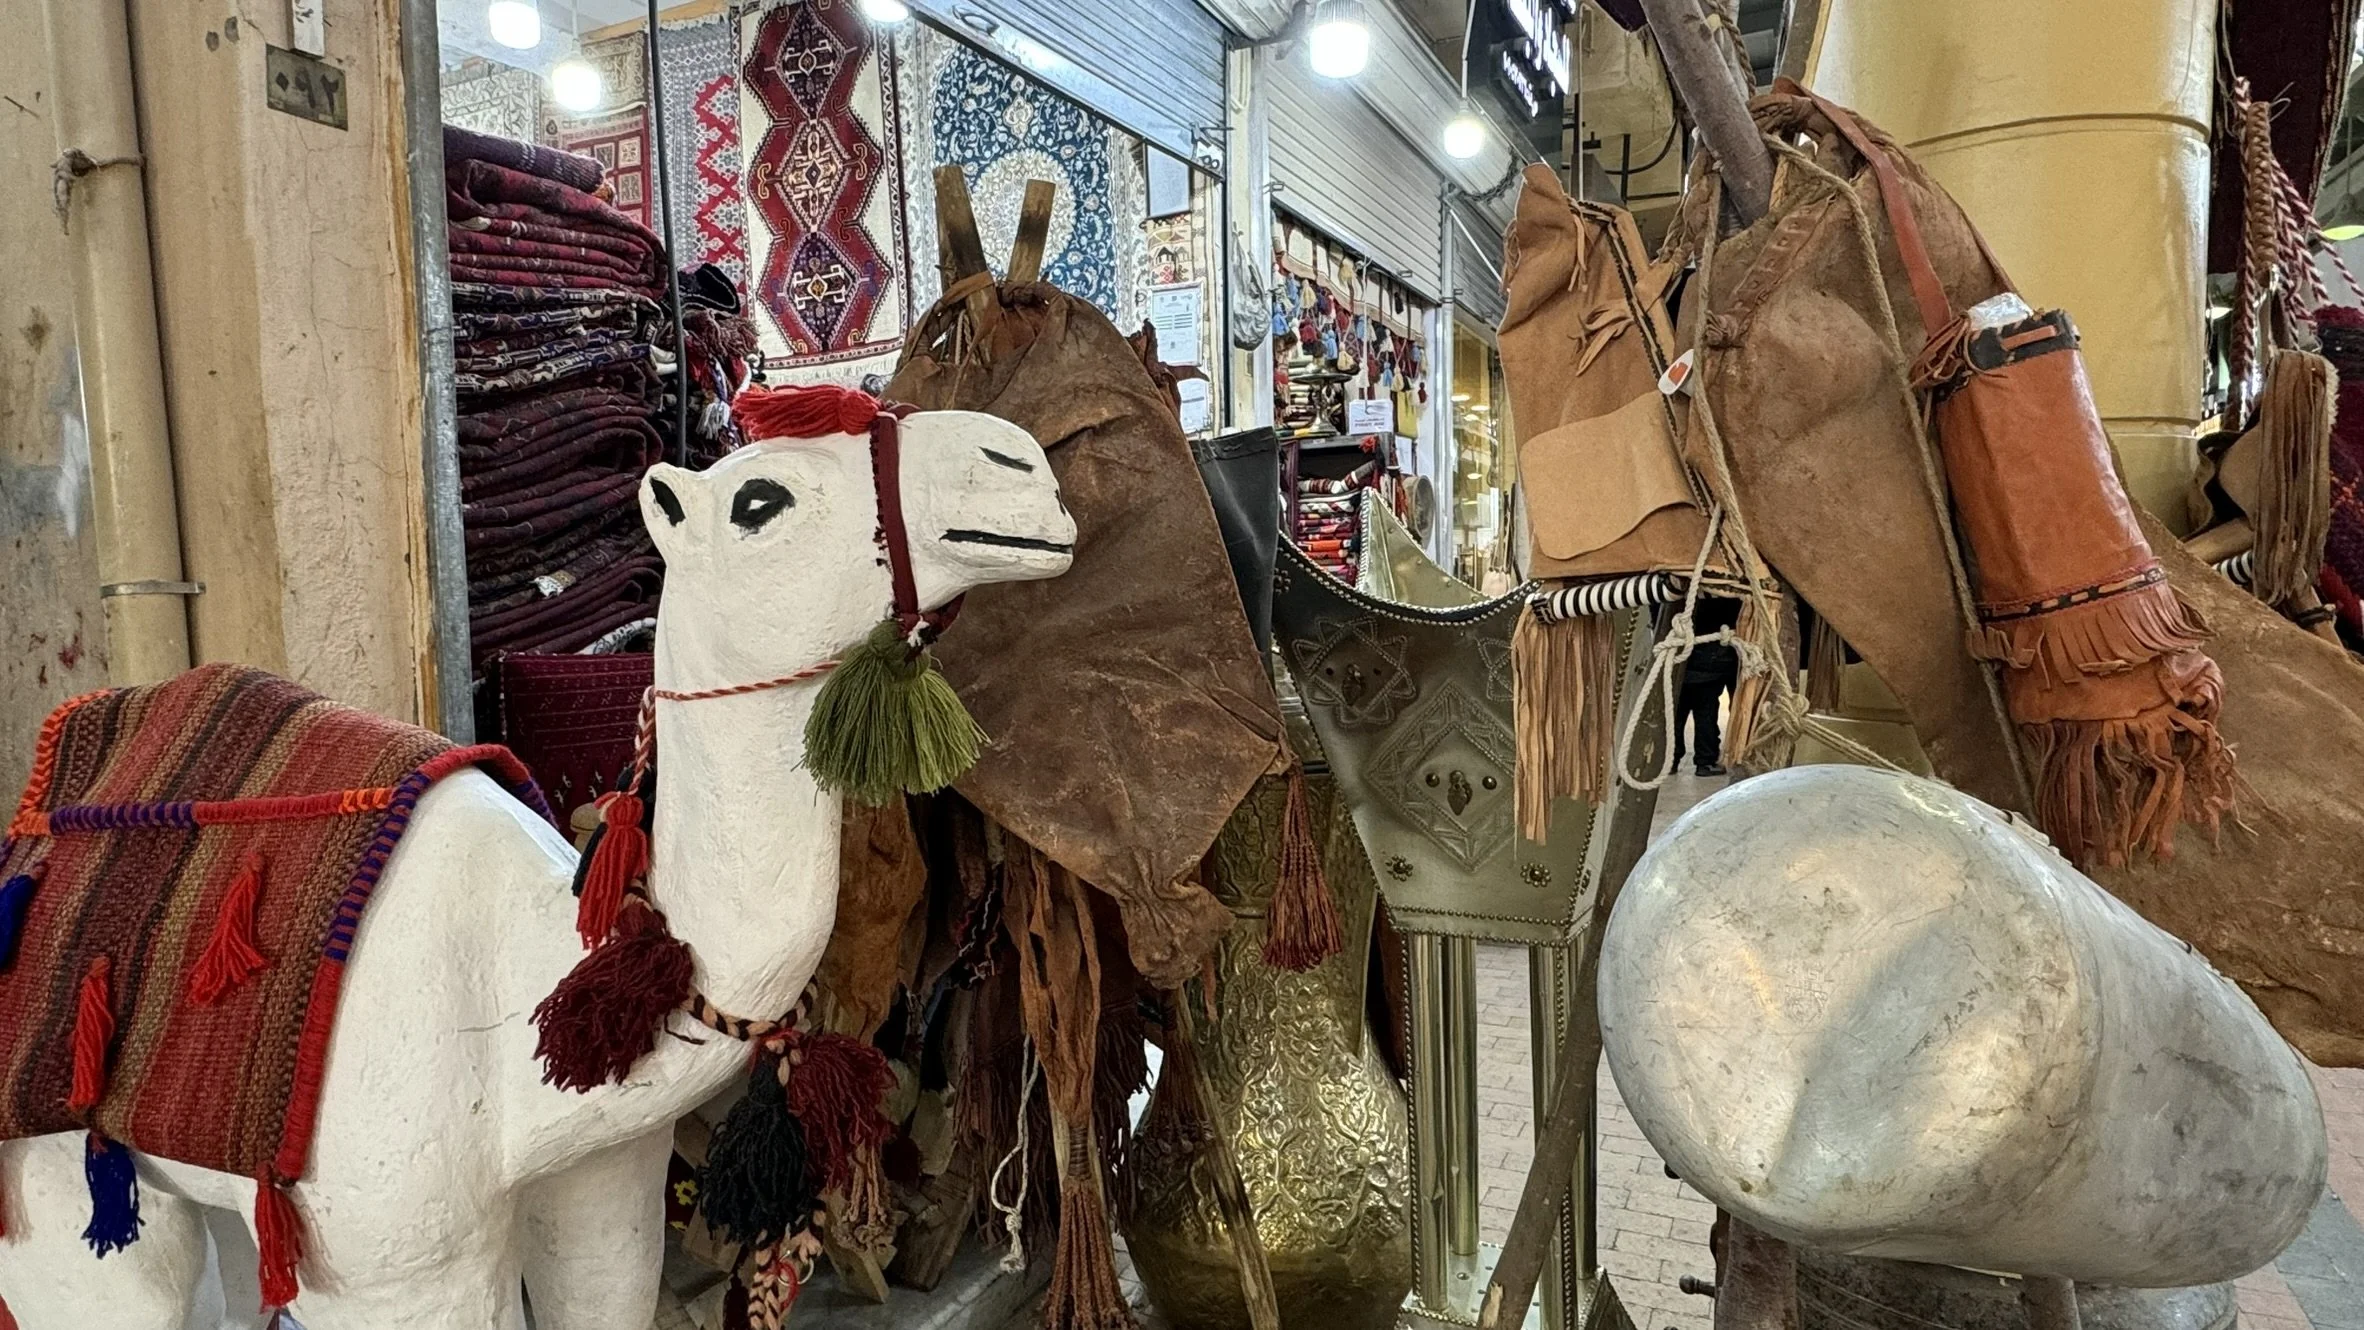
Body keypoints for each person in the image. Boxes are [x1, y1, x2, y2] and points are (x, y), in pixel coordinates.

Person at [1672, 596, 1741, 777]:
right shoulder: (1725, 596)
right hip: (1710, 663)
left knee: (1676, 717)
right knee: (1705, 715)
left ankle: (1671, 760)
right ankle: (1705, 761)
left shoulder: (1682, 598)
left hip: (1682, 662)